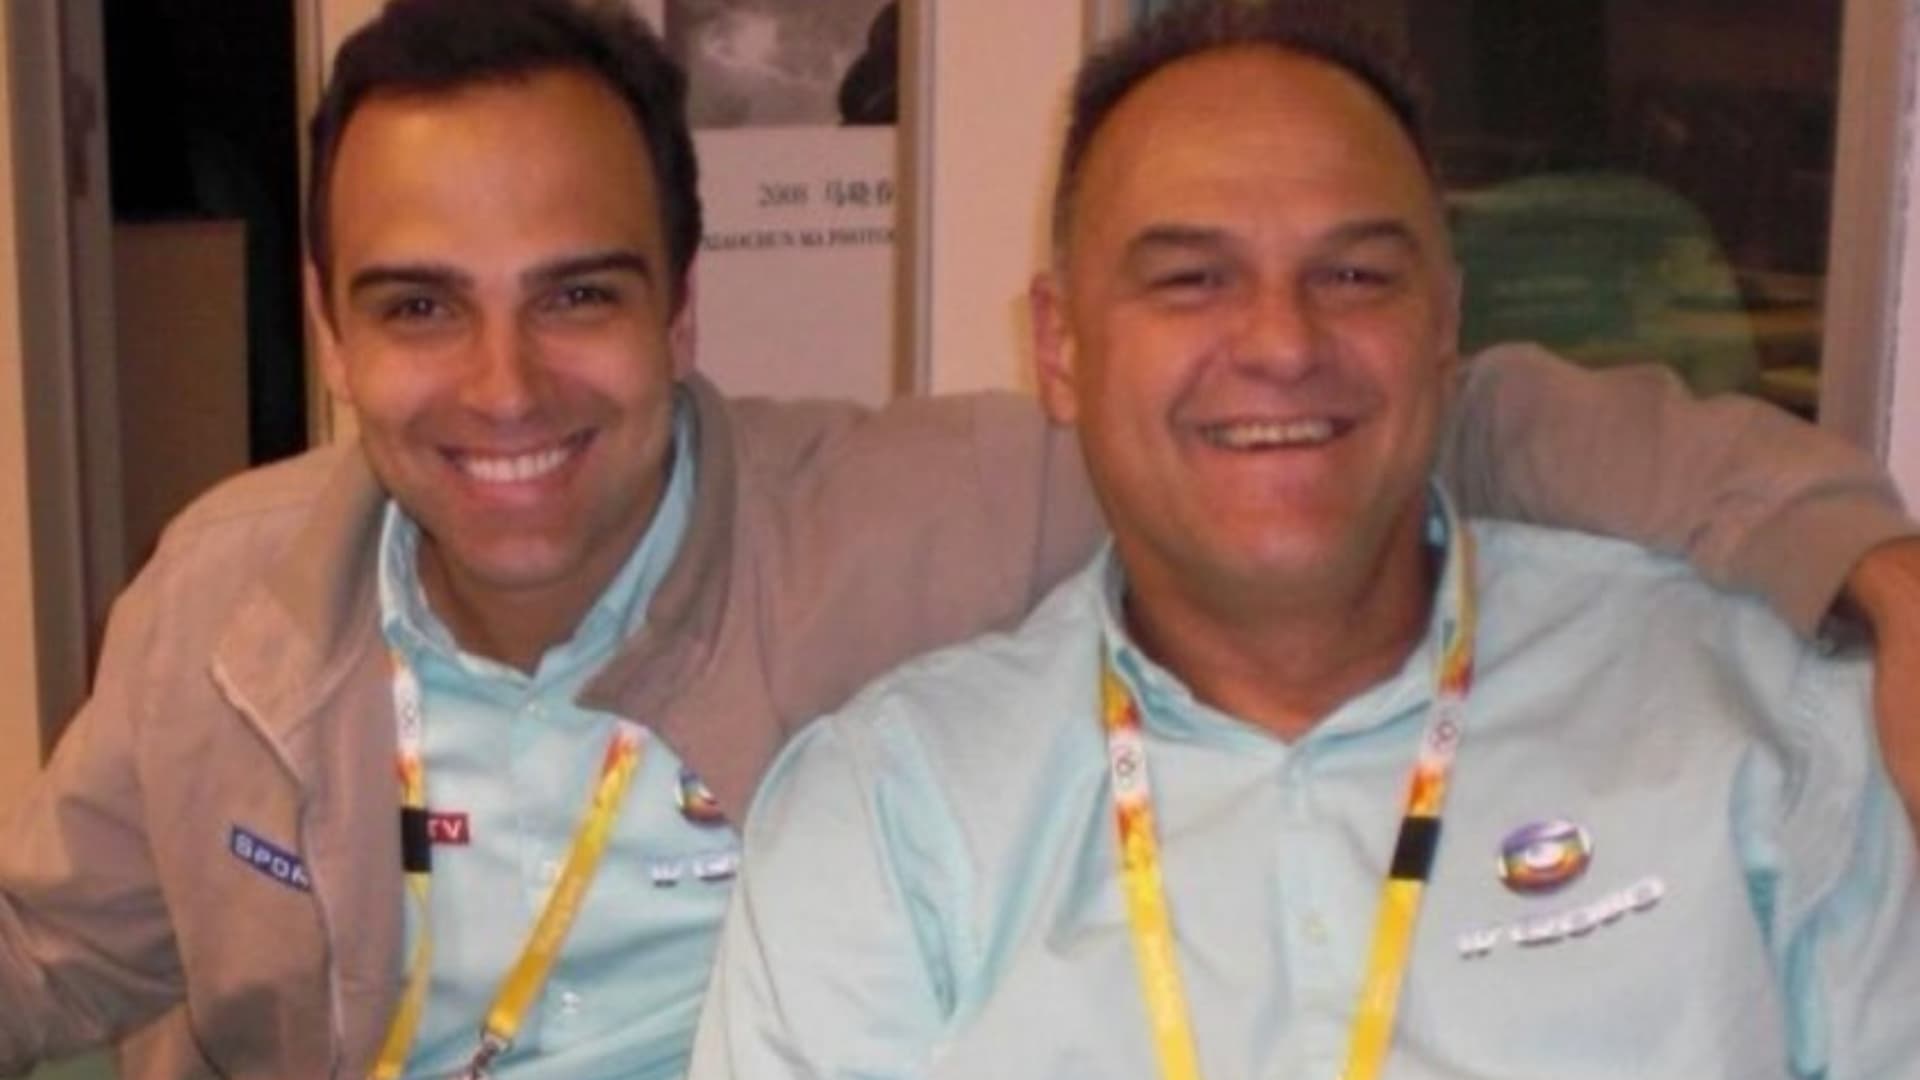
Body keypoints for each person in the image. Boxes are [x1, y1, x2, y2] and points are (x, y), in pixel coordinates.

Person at [0, 0, 1915, 1077]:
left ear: (684, 314)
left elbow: (1382, 429)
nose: (505, 388)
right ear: (330, 332)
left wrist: (1863, 561)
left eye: (578, 295)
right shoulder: (227, 609)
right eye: (420, 307)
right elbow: (52, 950)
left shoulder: (919, 524)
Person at [690, 5, 1920, 1078]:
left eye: (1354, 277)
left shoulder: (1762, 733)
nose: (1282, 343)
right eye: (1190, 280)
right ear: (1060, 347)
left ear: (1445, 323)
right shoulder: (895, 825)